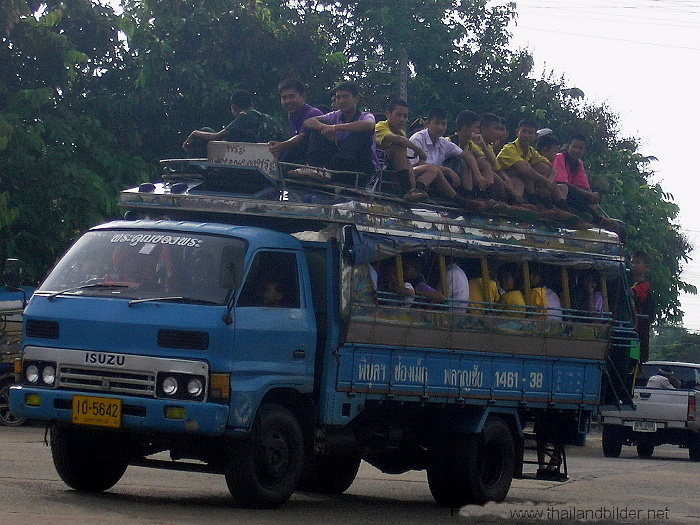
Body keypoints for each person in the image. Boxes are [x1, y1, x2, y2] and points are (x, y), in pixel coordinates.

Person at [408, 107, 487, 210]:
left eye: (443, 124)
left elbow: (467, 155)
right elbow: (415, 165)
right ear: (427, 124)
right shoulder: (417, 139)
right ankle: (416, 191)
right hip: (414, 175)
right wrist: (447, 170)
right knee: (434, 170)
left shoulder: (443, 142)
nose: (440, 127)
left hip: (434, 178)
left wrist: (478, 175)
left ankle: (470, 196)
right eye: (436, 123)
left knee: (464, 162)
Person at [301, 81, 379, 176]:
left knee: (362, 133)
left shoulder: (365, 116)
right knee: (317, 129)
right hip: (334, 164)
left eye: (345, 97)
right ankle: (314, 167)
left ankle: (328, 171)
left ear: (356, 98)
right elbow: (308, 121)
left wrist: (335, 128)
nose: (341, 101)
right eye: (338, 98)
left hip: (359, 168)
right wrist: (324, 127)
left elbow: (369, 125)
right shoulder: (335, 115)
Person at [552, 134, 625, 236]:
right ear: (568, 146)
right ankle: (598, 220)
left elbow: (585, 186)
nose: (577, 151)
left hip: (574, 195)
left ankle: (593, 216)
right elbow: (563, 183)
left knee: (596, 191)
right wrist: (588, 195)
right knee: (571, 191)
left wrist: (594, 198)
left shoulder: (578, 164)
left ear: (584, 151)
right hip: (559, 193)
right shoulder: (560, 157)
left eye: (580, 148)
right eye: (574, 147)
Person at [182, 90, 281, 156]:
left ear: (234, 107)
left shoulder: (245, 115)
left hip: (254, 156)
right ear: (252, 104)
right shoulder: (263, 117)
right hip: (266, 155)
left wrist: (194, 133)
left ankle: (192, 169)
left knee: (205, 131)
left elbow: (215, 136)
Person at [496, 118, 564, 206]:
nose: (526, 135)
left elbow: (552, 169)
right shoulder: (509, 148)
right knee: (526, 174)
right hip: (504, 180)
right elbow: (525, 170)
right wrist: (546, 181)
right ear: (517, 132)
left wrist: (549, 182)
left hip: (520, 181)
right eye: (524, 131)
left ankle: (559, 206)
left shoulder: (531, 151)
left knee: (544, 167)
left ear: (535, 136)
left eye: (530, 133)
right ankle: (529, 202)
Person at [374, 99, 429, 201]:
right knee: (399, 146)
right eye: (398, 115)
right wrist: (419, 151)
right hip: (377, 164)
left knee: (431, 169)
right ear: (388, 114)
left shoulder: (401, 133)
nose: (402, 119)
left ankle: (412, 190)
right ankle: (406, 190)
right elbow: (397, 140)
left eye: (405, 116)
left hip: (393, 166)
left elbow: (405, 159)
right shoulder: (380, 126)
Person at [268, 79, 323, 165]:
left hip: (315, 160)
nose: (288, 101)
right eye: (284, 98)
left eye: (292, 96)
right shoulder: (291, 116)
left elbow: (301, 138)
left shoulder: (313, 113)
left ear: (303, 97)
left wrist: (281, 146)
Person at [630, 251, 655, 363]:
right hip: (626, 329)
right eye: (632, 262)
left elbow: (632, 293)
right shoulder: (629, 283)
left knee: (633, 362)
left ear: (646, 267)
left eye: (638, 262)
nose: (634, 265)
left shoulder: (644, 286)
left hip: (637, 334)